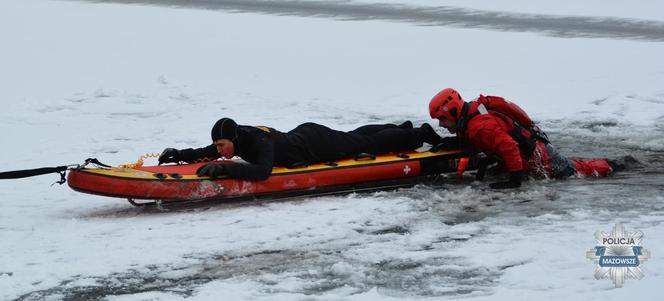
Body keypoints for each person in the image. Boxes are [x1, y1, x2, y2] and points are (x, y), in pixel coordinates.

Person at [428, 88, 620, 189]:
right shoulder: (471, 115)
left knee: (578, 171)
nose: (441, 125)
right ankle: (610, 164)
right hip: (534, 151)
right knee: (575, 166)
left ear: (452, 111)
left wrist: (514, 180)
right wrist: (450, 143)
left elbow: (509, 146)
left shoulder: (479, 126)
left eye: (442, 119)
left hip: (541, 158)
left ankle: (612, 166)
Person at [158, 118, 442, 180]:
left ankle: (419, 134)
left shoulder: (258, 141)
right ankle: (400, 126)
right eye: (218, 146)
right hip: (303, 134)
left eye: (221, 146)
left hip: (316, 145)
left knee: (364, 144)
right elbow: (203, 151)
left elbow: (262, 172)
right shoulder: (234, 138)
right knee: (355, 136)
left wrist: (224, 169)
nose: (219, 150)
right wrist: (179, 155)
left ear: (231, 138)